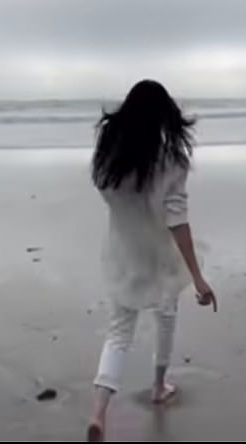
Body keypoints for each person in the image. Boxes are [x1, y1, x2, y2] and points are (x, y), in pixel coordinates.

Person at [87, 80, 217, 442]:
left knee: (118, 333)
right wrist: (198, 276)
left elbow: (106, 194)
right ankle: (159, 386)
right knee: (166, 316)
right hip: (159, 253)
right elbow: (178, 220)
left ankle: (98, 413)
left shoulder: (109, 155)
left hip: (121, 250)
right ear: (164, 116)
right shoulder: (171, 161)